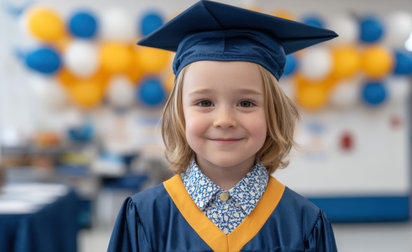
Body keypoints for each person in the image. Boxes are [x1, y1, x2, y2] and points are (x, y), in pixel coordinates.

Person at [107, 1, 338, 251]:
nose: (225, 120)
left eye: (246, 103)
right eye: (204, 102)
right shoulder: (144, 216)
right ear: (179, 114)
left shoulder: (304, 223)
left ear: (273, 114)